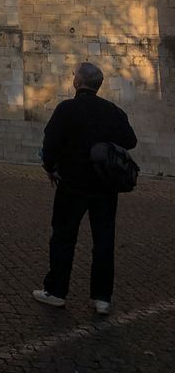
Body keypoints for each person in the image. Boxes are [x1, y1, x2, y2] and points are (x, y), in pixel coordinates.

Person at [33, 61, 137, 315]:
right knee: (104, 240)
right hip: (104, 186)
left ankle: (56, 291)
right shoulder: (112, 111)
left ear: (77, 83)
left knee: (63, 237)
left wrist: (51, 167)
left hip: (73, 184)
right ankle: (102, 298)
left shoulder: (67, 109)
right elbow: (130, 141)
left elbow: (50, 144)